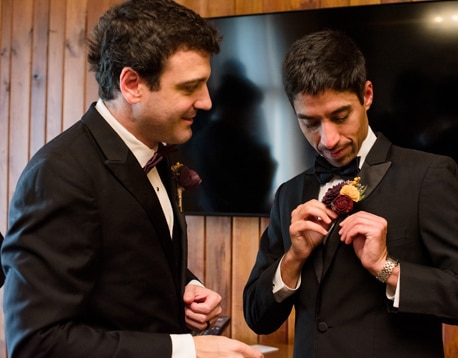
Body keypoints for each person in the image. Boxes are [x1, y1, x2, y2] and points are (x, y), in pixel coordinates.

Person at [1, 0, 262, 357]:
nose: (206, 102)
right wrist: (186, 351)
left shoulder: (156, 149)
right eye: (190, 87)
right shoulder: (59, 174)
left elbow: (129, 264)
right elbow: (37, 342)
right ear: (132, 84)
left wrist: (186, 288)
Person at [242, 30, 458, 357]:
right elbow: (256, 316)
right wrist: (293, 259)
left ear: (367, 95)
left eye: (340, 116)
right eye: (310, 123)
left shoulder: (429, 177)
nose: (328, 139)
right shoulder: (289, 194)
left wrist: (387, 268)